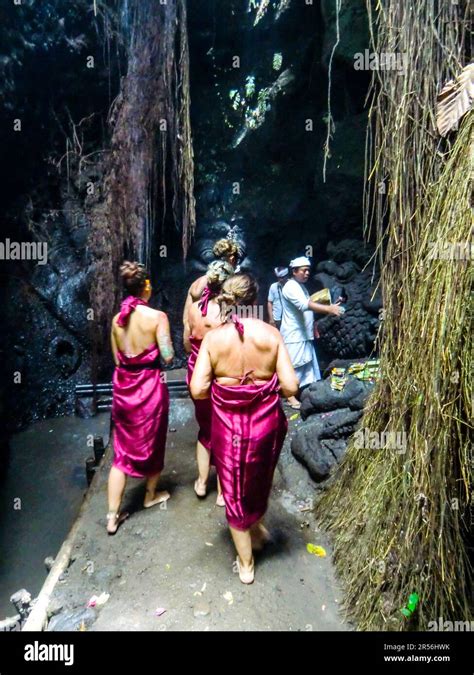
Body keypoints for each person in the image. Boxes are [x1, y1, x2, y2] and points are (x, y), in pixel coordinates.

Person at [190, 274, 298, 584]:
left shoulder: (213, 339)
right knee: (259, 479)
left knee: (234, 490)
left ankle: (246, 563)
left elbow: (198, 390)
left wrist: (227, 386)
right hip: (266, 425)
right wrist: (263, 384)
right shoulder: (271, 334)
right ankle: (256, 531)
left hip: (228, 427)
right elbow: (291, 386)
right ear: (254, 300)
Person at [107, 261, 175, 534]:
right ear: (146, 285)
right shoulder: (157, 317)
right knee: (155, 440)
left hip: (124, 389)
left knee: (120, 454)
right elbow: (168, 357)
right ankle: (149, 495)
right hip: (150, 386)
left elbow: (117, 359)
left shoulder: (116, 320)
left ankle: (112, 517)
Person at [183, 259, 234, 505]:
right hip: (216, 373)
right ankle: (224, 492)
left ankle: (202, 483)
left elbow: (186, 341)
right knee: (224, 430)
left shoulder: (193, 308)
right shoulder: (227, 311)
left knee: (205, 429)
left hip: (195, 372)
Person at [281, 256, 343, 409]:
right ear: (294, 272)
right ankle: (289, 397)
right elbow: (303, 305)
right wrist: (329, 309)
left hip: (303, 333)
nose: (307, 273)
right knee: (294, 365)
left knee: (307, 365)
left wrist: (329, 305)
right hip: (294, 335)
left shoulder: (300, 286)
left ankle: (303, 392)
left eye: (308, 270)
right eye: (304, 270)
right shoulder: (290, 286)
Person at [182, 238, 240, 326]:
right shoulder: (234, 285)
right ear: (232, 259)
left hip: (196, 334)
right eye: (236, 262)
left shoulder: (197, 284)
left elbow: (186, 321)